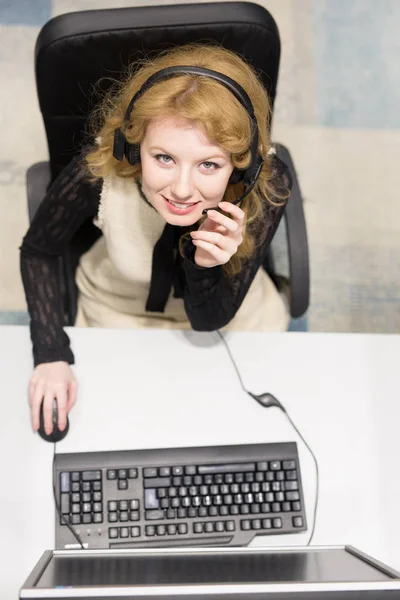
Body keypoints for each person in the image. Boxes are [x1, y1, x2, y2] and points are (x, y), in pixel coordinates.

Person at [20, 44, 291, 436]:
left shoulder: (265, 183)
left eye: (209, 164)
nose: (182, 190)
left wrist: (206, 265)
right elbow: (39, 251)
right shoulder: (100, 169)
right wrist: (49, 352)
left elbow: (209, 320)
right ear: (134, 146)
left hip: (229, 321)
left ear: (242, 168)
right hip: (117, 311)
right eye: (163, 157)